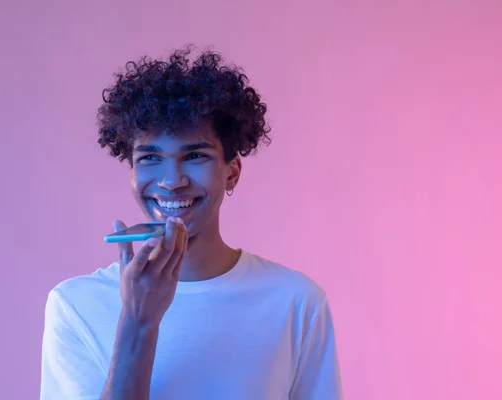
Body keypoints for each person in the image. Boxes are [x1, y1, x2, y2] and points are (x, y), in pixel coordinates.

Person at [40, 45, 343, 400]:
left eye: (195, 155)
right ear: (133, 171)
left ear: (231, 173)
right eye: (150, 157)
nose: (171, 180)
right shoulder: (75, 304)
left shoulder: (296, 301)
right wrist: (139, 321)